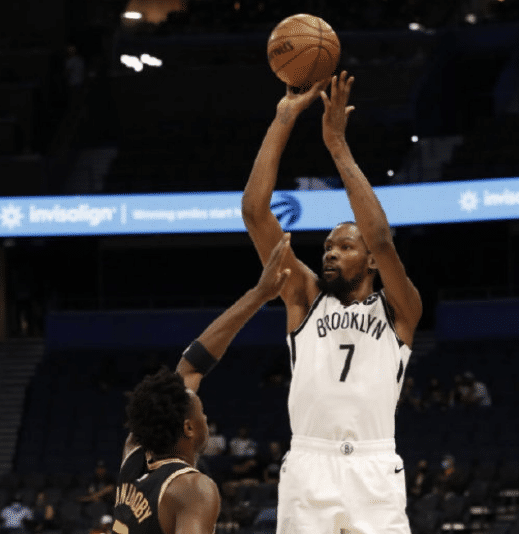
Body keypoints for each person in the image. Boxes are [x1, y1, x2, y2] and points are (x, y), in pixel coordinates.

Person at [242, 71, 422, 533]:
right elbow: (255, 212)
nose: (330, 253)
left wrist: (338, 146)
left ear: (371, 261)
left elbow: (381, 237)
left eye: (344, 246)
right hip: (310, 460)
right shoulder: (304, 298)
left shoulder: (400, 310)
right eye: (327, 247)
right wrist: (283, 118)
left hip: (374, 464)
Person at [111, 235, 292, 534]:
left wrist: (259, 294)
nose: (206, 418)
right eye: (201, 413)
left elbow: (192, 366)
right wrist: (258, 295)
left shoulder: (134, 457)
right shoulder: (192, 488)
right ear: (189, 427)